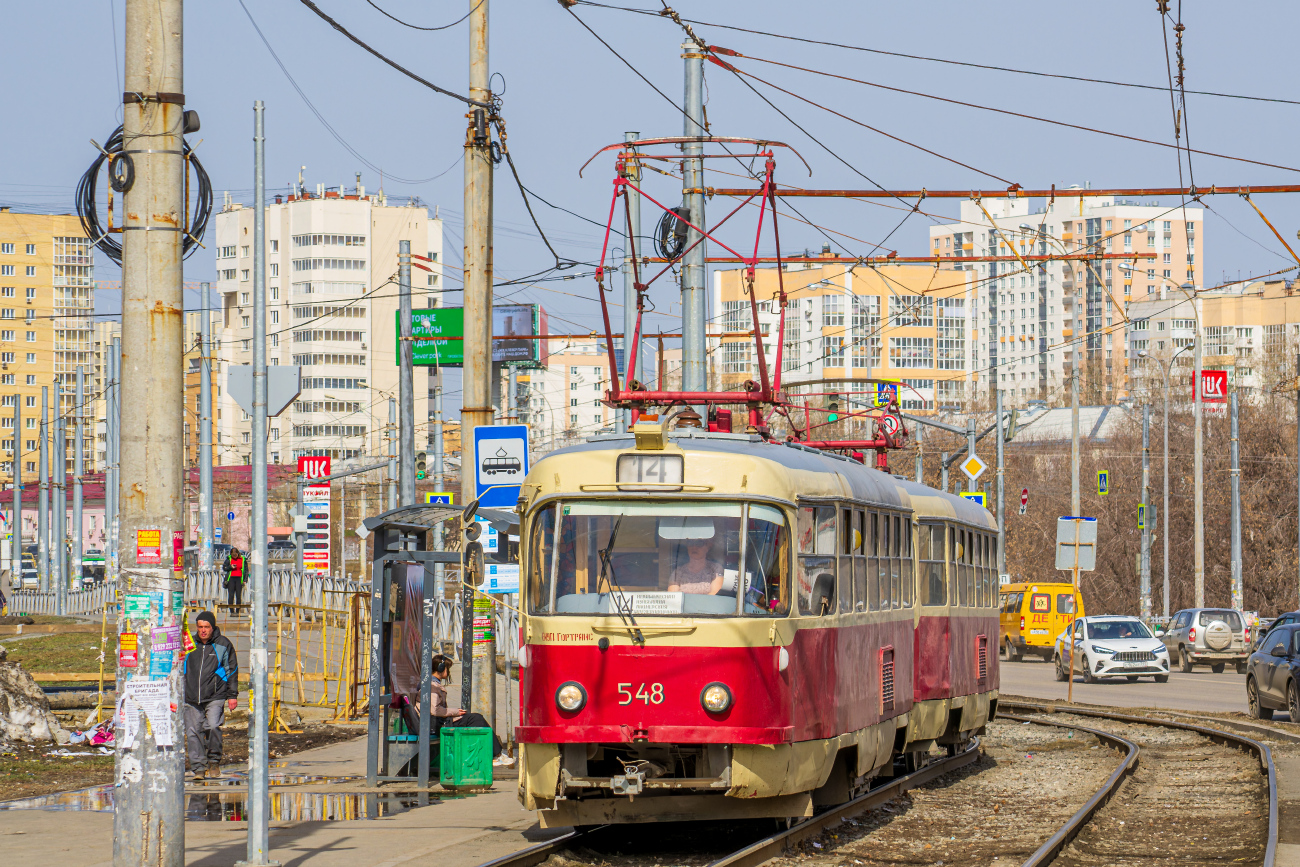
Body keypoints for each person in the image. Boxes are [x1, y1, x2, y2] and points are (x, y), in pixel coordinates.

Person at [184, 611, 239, 779]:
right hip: (191, 696)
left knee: (213, 726)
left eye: (206, 627)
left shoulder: (223, 644)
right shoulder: (189, 644)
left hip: (216, 694)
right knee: (193, 732)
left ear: (212, 627)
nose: (203, 630)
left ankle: (214, 761)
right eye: (200, 627)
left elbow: (232, 670)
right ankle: (199, 768)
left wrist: (232, 695)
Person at [430, 654, 513, 767]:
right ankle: (496, 755)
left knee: (475, 718)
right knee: (476, 719)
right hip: (439, 723)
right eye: (447, 669)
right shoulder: (432, 686)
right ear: (440, 668)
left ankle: (495, 754)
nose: (448, 672)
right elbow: (434, 710)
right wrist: (455, 712)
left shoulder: (432, 684)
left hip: (438, 721)